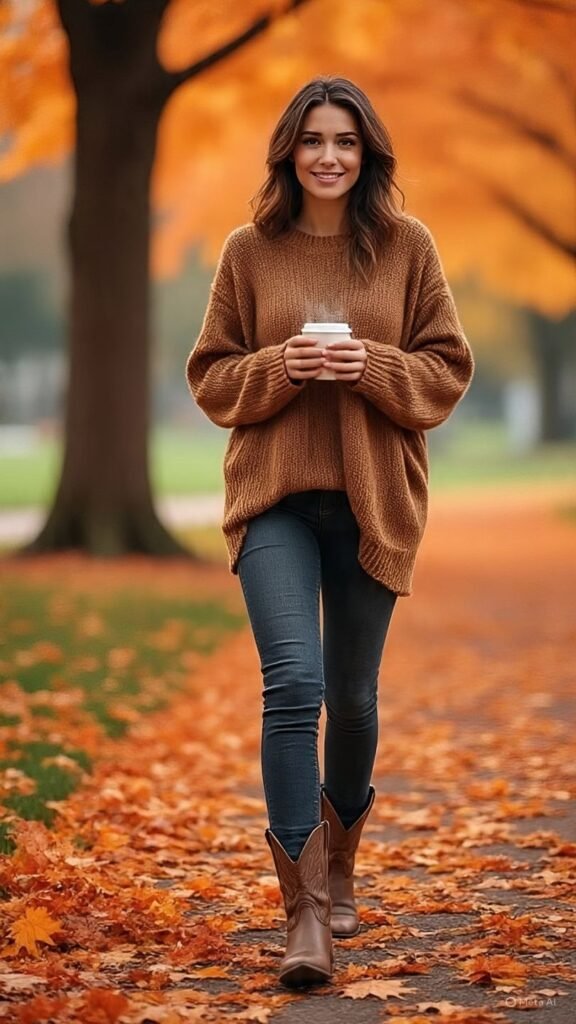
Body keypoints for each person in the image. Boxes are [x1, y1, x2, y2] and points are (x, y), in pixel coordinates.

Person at [186, 75, 474, 988]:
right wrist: (279, 365)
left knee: (351, 697)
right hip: (274, 497)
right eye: (312, 140)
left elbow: (447, 369)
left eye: (345, 141)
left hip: (371, 499)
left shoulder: (406, 248)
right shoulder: (249, 251)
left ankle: (342, 859)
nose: (328, 156)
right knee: (294, 686)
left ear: (368, 154)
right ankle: (305, 912)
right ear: (288, 152)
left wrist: (370, 366)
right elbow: (211, 375)